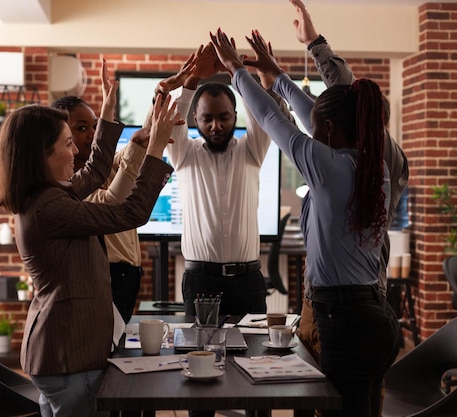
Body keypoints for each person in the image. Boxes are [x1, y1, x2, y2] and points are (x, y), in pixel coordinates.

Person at [211, 28, 402, 417]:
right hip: (375, 316)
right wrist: (276, 74)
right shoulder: (371, 166)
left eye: (318, 126)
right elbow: (307, 113)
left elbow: (269, 117)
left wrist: (234, 68)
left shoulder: (328, 168)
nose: (311, 130)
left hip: (345, 320)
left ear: (329, 130)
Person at [0, 60, 178, 417]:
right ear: (41, 156)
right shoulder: (48, 207)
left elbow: (94, 172)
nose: (76, 151)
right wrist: (154, 148)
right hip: (68, 355)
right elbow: (129, 213)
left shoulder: (47, 193)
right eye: (67, 144)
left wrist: (108, 109)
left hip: (63, 353)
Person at [289, 0, 409, 367]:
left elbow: (343, 88)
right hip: (323, 302)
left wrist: (315, 45)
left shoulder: (381, 158)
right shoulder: (348, 155)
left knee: (349, 398)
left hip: (356, 307)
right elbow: (322, 109)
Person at [161, 43, 286, 317]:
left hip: (248, 281)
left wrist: (237, 72)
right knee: (200, 356)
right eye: (207, 119)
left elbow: (261, 115)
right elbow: (172, 121)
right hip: (200, 281)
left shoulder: (251, 150)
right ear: (195, 119)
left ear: (235, 117)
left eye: (223, 117)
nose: (215, 126)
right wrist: (192, 78)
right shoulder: (184, 154)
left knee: (254, 356)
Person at [50, 83, 149, 324]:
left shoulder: (105, 168)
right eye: (82, 128)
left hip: (128, 277)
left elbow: (137, 145)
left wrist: (161, 94)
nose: (93, 134)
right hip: (108, 277)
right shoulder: (68, 185)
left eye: (95, 126)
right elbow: (112, 200)